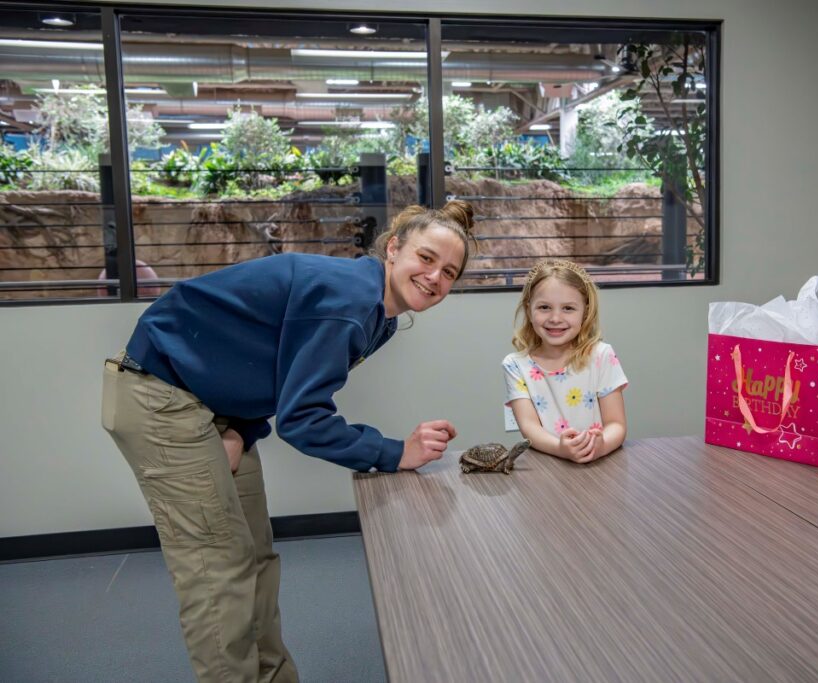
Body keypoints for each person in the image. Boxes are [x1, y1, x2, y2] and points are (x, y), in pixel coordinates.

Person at [100, 200, 474, 682]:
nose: (435, 278)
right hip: (160, 393)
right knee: (219, 569)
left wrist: (241, 425)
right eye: (426, 258)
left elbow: (270, 364)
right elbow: (302, 418)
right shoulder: (349, 300)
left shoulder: (381, 316)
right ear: (394, 248)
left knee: (255, 557)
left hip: (213, 405)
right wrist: (394, 452)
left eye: (449, 272)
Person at [502, 259, 628, 464]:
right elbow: (529, 427)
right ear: (529, 309)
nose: (555, 318)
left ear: (585, 312)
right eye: (544, 307)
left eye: (568, 308)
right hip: (546, 468)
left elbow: (616, 424)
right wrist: (560, 449)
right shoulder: (516, 365)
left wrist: (601, 445)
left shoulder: (601, 355)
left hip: (598, 467)